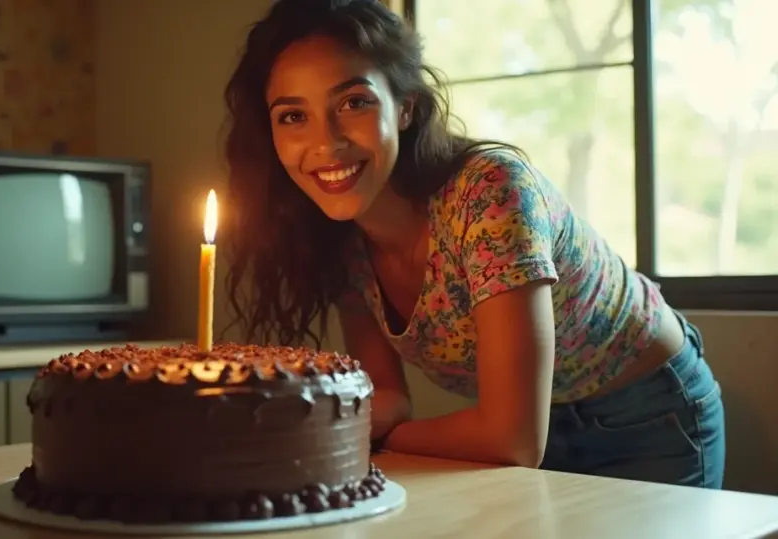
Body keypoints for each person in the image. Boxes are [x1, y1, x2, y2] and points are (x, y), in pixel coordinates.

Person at [220, 0, 725, 489]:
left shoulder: (489, 192)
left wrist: (378, 437)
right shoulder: (338, 238)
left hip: (648, 413)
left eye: (354, 102)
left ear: (404, 109)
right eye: (292, 116)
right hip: (530, 433)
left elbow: (513, 439)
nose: (326, 142)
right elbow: (389, 397)